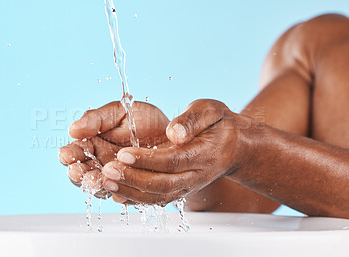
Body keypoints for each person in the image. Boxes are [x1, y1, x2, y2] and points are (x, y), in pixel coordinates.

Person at [59, 14, 349, 218]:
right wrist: (180, 154)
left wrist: (242, 147)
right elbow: (242, 195)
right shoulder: (318, 47)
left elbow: (248, 150)